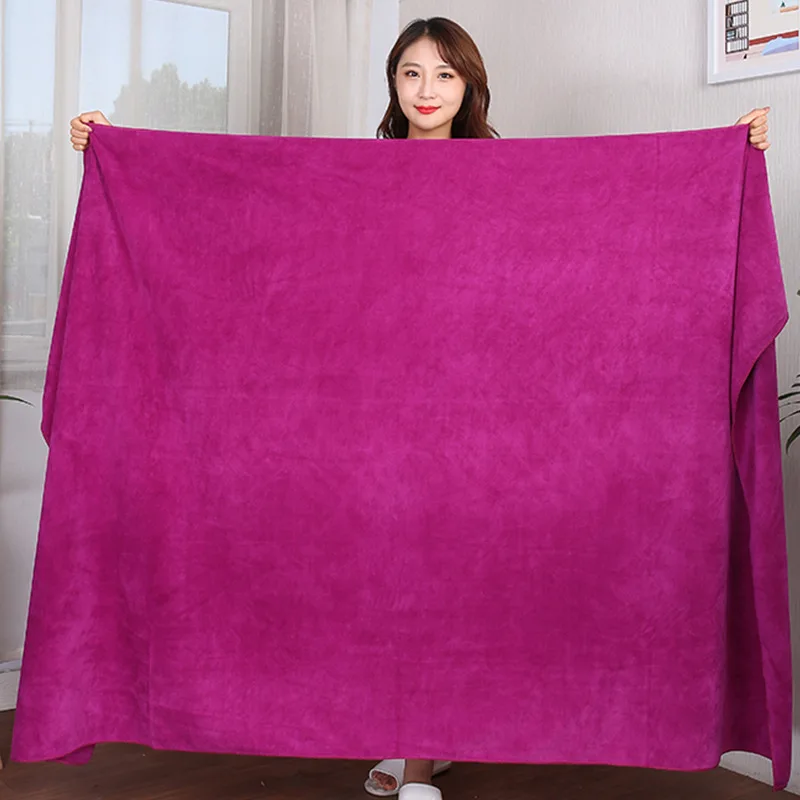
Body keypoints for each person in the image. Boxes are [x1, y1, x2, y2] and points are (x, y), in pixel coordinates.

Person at [68, 16, 773, 800]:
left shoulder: (509, 179)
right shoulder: (354, 178)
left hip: (477, 422)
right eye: (411, 73)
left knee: (450, 586)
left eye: (444, 74)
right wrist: (115, 151)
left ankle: (418, 760)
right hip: (370, 421)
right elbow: (250, 231)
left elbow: (595, 242)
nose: (426, 90)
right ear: (393, 83)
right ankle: (417, 744)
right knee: (384, 586)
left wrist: (730, 155)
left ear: (469, 85)